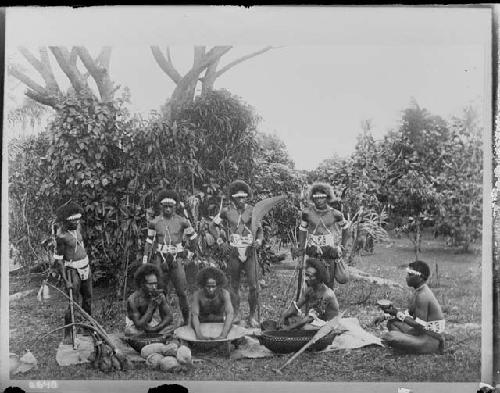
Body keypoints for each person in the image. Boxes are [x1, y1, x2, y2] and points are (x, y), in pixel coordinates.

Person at [212, 180, 263, 328]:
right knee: (234, 285)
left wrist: (258, 241)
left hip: (249, 251)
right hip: (234, 252)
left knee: (253, 286)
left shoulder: (253, 210)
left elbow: (259, 230)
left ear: (247, 197)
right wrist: (221, 242)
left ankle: (252, 316)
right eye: (238, 197)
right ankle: (236, 314)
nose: (241, 200)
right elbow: (212, 226)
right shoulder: (226, 211)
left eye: (244, 197)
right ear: (233, 198)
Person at [142, 189, 197, 325]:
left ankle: (187, 321)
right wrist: (145, 261)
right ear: (161, 206)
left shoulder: (183, 221)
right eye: (165, 206)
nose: (167, 209)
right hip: (160, 260)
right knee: (160, 292)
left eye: (170, 206)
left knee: (182, 292)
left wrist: (189, 254)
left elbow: (194, 239)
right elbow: (149, 242)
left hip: (177, 260)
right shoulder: (154, 222)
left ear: (175, 207)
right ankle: (164, 322)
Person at [380, 260, 446, 354]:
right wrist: (387, 316)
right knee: (392, 323)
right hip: (422, 333)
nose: (407, 277)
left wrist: (397, 313)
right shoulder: (419, 291)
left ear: (420, 278)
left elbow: (419, 325)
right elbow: (410, 314)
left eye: (410, 275)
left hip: (431, 340)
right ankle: (407, 343)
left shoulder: (423, 296)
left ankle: (419, 347)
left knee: (389, 336)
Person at [296, 182, 350, 290]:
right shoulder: (307, 213)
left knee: (328, 281)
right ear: (312, 198)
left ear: (328, 197)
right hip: (312, 251)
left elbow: (346, 228)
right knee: (311, 279)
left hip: (329, 252)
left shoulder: (336, 214)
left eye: (322, 197)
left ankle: (327, 303)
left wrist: (342, 247)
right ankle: (310, 304)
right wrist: (301, 250)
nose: (319, 200)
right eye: (316, 197)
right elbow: (302, 230)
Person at [53, 202, 92, 344]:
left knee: (87, 299)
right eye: (73, 221)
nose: (77, 222)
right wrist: (66, 280)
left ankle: (86, 328)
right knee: (73, 302)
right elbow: (59, 261)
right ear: (65, 222)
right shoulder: (61, 236)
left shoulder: (78, 227)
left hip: (86, 267)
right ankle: (67, 333)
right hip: (72, 270)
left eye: (78, 219)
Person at [279, 258, 339, 330]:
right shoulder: (310, 290)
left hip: (328, 324)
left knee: (305, 327)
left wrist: (289, 328)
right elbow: (297, 306)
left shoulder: (327, 295)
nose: (306, 278)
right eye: (306, 275)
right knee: (288, 315)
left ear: (319, 278)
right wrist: (283, 316)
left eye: (310, 276)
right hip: (315, 320)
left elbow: (310, 318)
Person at [125, 264, 173, 336]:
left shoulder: (158, 295)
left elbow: (169, 317)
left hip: (151, 324)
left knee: (171, 327)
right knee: (131, 332)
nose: (154, 287)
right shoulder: (132, 300)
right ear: (142, 284)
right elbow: (138, 325)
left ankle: (152, 334)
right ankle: (151, 335)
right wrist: (151, 308)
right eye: (150, 284)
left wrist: (156, 328)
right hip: (135, 327)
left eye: (155, 283)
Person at [190, 266, 235, 340]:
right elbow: (194, 315)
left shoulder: (224, 294)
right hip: (201, 323)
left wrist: (223, 335)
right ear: (203, 285)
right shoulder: (197, 295)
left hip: (219, 323)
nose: (211, 289)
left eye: (213, 286)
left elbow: (230, 313)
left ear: (218, 285)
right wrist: (199, 335)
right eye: (208, 286)